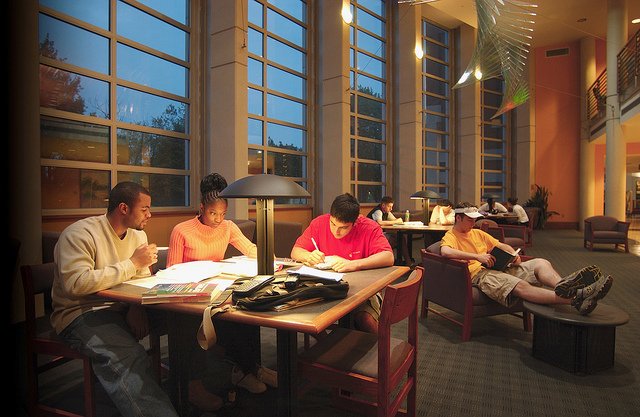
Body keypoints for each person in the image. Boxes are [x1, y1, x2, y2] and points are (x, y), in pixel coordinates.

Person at [51, 181, 178, 417]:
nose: (149, 215)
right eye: (145, 209)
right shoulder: (80, 234)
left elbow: (139, 279)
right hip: (81, 312)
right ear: (123, 208)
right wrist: (132, 264)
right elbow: (76, 283)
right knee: (129, 356)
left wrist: (135, 308)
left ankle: (193, 390)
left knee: (184, 320)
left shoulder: (138, 236)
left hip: (123, 305)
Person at [167, 173, 276, 411]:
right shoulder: (182, 230)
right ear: (201, 208)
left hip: (216, 290)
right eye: (212, 213)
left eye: (223, 213)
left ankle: (247, 369)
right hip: (188, 296)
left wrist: (271, 259)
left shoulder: (227, 227)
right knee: (201, 319)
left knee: (246, 308)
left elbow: (249, 248)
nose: (218, 219)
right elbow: (171, 272)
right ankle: (199, 384)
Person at [439, 203, 613, 315]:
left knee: (541, 263)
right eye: (470, 220)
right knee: (520, 286)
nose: (473, 223)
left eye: (474, 220)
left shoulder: (477, 233)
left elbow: (501, 245)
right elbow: (446, 252)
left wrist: (512, 255)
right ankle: (577, 297)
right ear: (458, 218)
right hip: (479, 275)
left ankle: (563, 286)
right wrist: (477, 256)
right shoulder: (451, 236)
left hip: (498, 267)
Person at [291, 193, 395, 333]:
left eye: (344, 227)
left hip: (362, 289)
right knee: (298, 311)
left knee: (365, 319)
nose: (336, 231)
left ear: (355, 221)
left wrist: (353, 264)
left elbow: (388, 257)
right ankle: (329, 347)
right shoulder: (319, 223)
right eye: (333, 224)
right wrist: (308, 255)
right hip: (325, 287)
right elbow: (296, 251)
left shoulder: (369, 227)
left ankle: (382, 352)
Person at [366, 196, 412, 265]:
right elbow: (380, 222)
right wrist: (396, 222)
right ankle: (402, 262)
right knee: (399, 239)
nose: (391, 209)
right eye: (389, 206)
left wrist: (397, 221)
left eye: (391, 207)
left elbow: (395, 220)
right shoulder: (378, 211)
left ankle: (405, 261)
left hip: (380, 234)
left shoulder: (387, 212)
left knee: (400, 238)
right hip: (371, 237)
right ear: (383, 205)